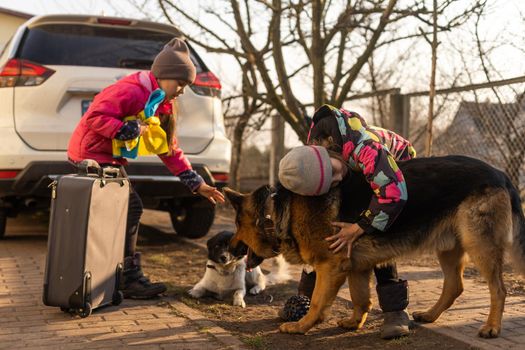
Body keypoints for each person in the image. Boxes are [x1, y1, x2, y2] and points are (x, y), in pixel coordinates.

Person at [68, 38, 225, 299]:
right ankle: (126, 278)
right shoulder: (132, 91)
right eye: (181, 83)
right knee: (130, 207)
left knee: (124, 210)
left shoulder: (161, 104)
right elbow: (95, 117)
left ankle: (113, 276)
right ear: (164, 76)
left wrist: (197, 184)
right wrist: (128, 129)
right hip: (90, 153)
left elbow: (168, 149)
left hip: (109, 157)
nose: (183, 91)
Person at [278, 104, 416, 339]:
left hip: (397, 167)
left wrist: (360, 226)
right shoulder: (313, 152)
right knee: (319, 232)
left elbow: (394, 193)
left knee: (378, 233)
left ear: (329, 147)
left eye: (333, 171)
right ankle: (305, 296)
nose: (337, 178)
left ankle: (395, 310)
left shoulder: (366, 148)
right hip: (353, 164)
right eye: (330, 182)